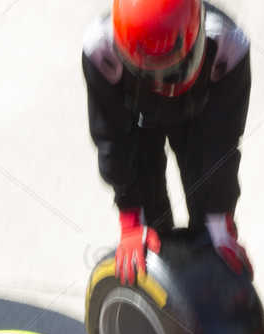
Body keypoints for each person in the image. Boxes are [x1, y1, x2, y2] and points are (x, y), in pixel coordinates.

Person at [83, 0, 253, 283]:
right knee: (150, 227)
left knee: (210, 231)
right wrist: (131, 215)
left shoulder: (228, 48)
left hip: (201, 115)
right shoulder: (100, 51)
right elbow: (112, 139)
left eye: (171, 71)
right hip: (136, 120)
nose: (164, 87)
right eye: (151, 74)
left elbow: (220, 146)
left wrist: (219, 219)